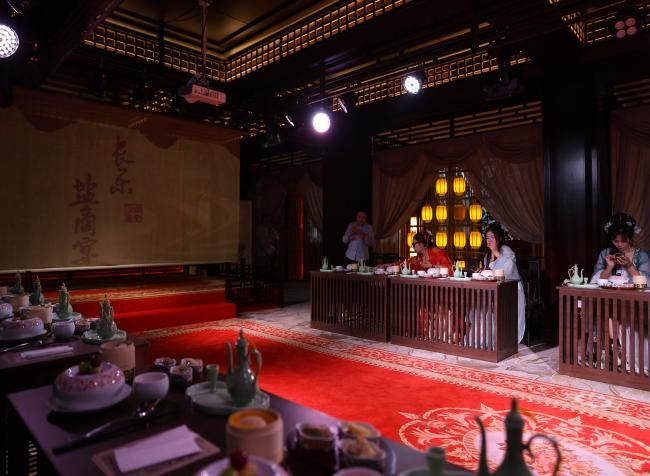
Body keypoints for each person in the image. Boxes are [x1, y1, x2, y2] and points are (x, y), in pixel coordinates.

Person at [483, 222, 526, 344]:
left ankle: (504, 338)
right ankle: (487, 336)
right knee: (482, 306)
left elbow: (508, 270)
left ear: (499, 238)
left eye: (492, 237)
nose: (489, 240)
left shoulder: (506, 250)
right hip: (495, 288)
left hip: (511, 288)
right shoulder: (487, 256)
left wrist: (495, 252)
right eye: (487, 238)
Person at [591, 212, 650, 283]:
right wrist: (610, 266)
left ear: (630, 238)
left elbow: (646, 282)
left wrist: (629, 266)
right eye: (615, 241)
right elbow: (596, 282)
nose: (619, 244)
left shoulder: (641, 255)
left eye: (624, 241)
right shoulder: (605, 253)